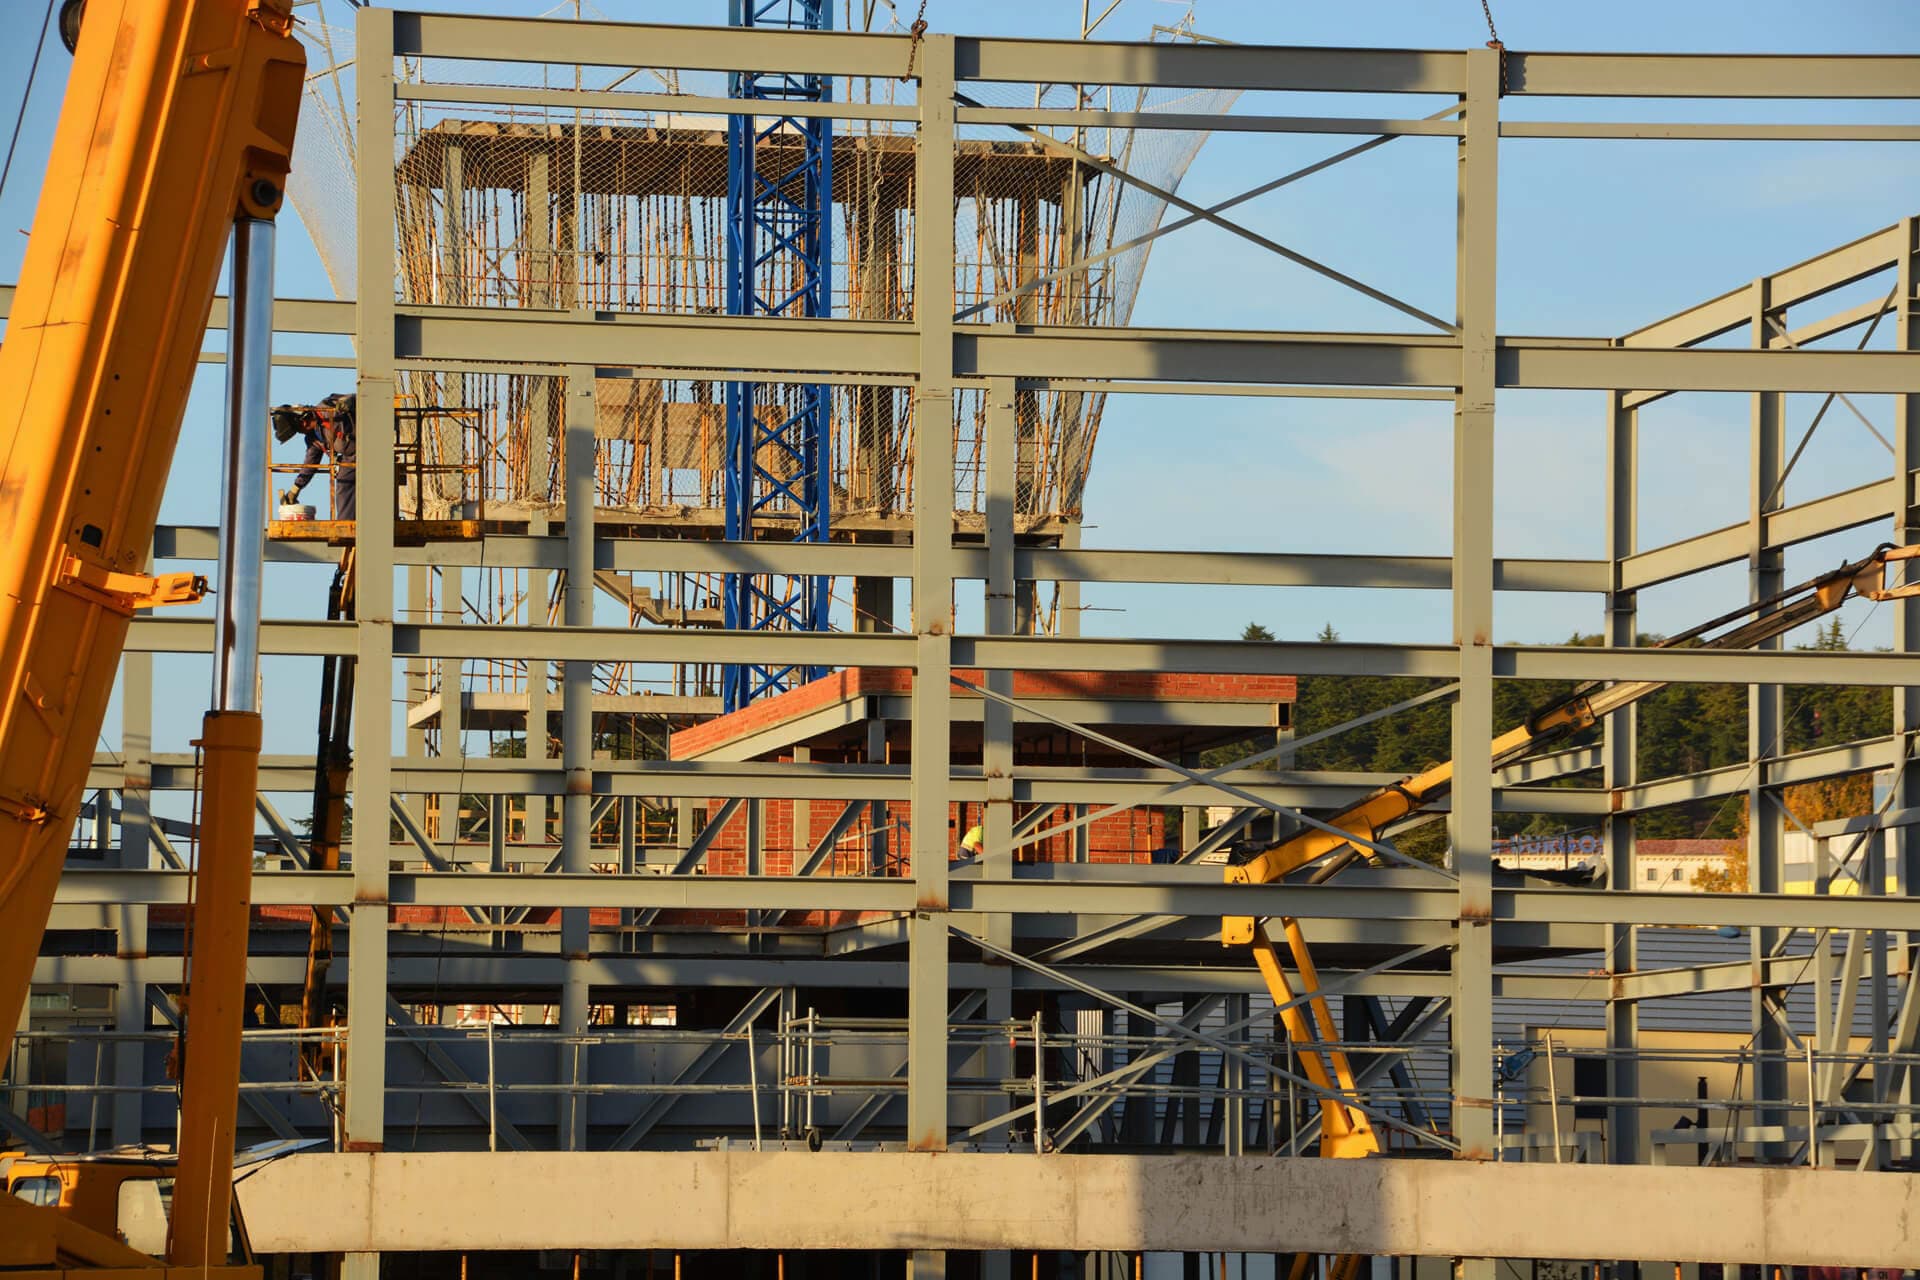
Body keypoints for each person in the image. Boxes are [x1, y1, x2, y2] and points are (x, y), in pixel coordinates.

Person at [272, 392, 357, 520]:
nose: (302, 432)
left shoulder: (327, 407)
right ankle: (347, 526)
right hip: (351, 458)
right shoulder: (314, 438)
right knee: (344, 481)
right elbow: (310, 464)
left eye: (299, 429)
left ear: (303, 421)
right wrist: (295, 489)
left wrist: (348, 401)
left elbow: (359, 396)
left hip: (371, 447)